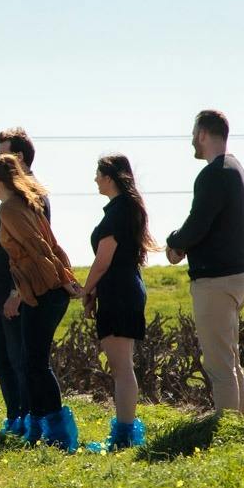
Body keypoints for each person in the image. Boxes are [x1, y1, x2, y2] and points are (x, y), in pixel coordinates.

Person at [0, 152, 83, 450]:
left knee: (35, 363)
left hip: (44, 291)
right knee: (30, 361)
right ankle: (40, 427)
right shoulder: (26, 204)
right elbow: (53, 245)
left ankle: (59, 433)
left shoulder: (10, 210)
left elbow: (41, 249)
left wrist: (63, 282)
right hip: (40, 292)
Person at [164, 109, 244, 413]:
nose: (192, 139)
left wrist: (174, 242)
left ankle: (227, 434)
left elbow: (198, 223)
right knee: (231, 359)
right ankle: (241, 429)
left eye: (193, 133)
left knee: (218, 365)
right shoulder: (235, 169)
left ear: (203, 133)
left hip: (215, 281)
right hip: (237, 277)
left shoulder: (213, 174)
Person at [81, 155, 157, 450]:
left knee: (122, 367)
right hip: (125, 289)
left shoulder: (118, 212)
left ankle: (124, 435)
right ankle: (125, 432)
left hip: (119, 291)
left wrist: (85, 289)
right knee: (123, 365)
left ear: (109, 177)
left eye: (98, 174)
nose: (95, 179)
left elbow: (103, 261)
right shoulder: (124, 208)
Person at [0, 128, 37, 436]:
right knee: (0, 358)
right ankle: (15, 417)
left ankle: (26, 419)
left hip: (15, 295)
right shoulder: (12, 194)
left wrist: (17, 292)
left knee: (19, 360)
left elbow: (33, 251)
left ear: (18, 157)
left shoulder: (32, 196)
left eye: (1, 154)